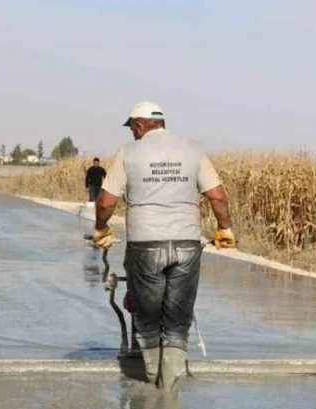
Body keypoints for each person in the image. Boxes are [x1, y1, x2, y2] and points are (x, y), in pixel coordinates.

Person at [93, 100, 236, 390]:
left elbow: (106, 201)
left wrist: (100, 228)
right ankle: (170, 388)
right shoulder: (193, 149)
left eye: (133, 128)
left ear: (139, 125)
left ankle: (150, 383)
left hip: (145, 243)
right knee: (178, 317)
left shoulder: (129, 152)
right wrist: (224, 228)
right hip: (186, 243)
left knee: (147, 315)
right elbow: (218, 196)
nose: (133, 133)